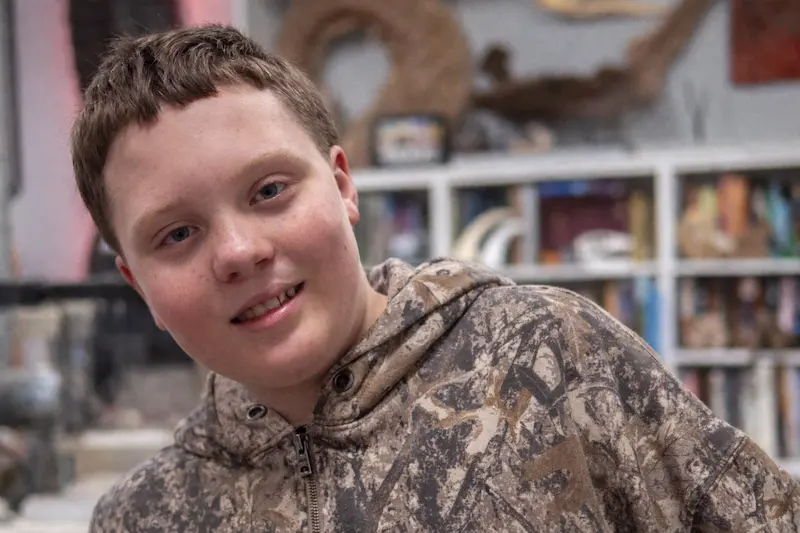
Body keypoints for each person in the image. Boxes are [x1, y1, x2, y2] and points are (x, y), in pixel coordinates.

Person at [70, 24, 799, 532]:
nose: (237, 251)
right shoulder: (146, 515)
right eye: (177, 234)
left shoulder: (550, 358)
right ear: (138, 285)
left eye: (269, 191)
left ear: (342, 186)